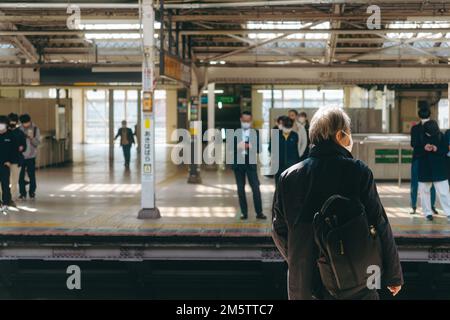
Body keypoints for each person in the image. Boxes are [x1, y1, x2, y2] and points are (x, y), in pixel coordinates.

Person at [272, 107, 403, 300]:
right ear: (340, 135)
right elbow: (379, 222)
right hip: (356, 281)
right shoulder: (358, 171)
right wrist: (393, 275)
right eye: (348, 132)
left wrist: (299, 258)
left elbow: (278, 229)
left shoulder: (288, 177)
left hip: (305, 285)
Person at [229, 111, 266, 220]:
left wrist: (251, 146)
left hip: (250, 164)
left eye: (248, 121)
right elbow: (230, 148)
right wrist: (238, 146)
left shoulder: (255, 133)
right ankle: (243, 213)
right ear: (241, 120)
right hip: (238, 164)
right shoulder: (234, 132)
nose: (246, 122)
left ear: (251, 120)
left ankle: (259, 213)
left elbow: (259, 149)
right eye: (244, 121)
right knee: (240, 189)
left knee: (255, 188)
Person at [417, 120, 450, 221]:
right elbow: (416, 152)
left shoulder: (441, 136)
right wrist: (424, 148)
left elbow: (445, 150)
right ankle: (427, 213)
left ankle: (448, 212)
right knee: (424, 191)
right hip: (424, 168)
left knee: (444, 192)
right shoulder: (420, 137)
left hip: (439, 168)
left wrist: (436, 149)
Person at [410, 107, 437, 215]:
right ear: (429, 115)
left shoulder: (415, 128)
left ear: (419, 116)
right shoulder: (434, 126)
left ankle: (413, 206)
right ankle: (431, 206)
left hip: (418, 158)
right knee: (431, 183)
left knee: (415, 183)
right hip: (431, 158)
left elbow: (413, 144)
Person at [271, 116, 300, 183]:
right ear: (282, 125)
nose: (287, 129)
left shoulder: (295, 135)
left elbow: (296, 150)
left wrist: (297, 162)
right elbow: (271, 148)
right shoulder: (276, 135)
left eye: (289, 127)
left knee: (291, 184)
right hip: (279, 164)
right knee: (279, 183)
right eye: (286, 126)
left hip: (292, 164)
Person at [19, 114, 40, 200]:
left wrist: (32, 138)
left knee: (31, 175)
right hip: (21, 156)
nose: (25, 125)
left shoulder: (35, 129)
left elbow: (37, 143)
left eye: (27, 123)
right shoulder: (19, 129)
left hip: (31, 156)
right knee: (21, 176)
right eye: (23, 123)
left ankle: (32, 192)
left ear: (30, 121)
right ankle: (22, 193)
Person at [7, 113, 27, 206]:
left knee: (14, 181)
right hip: (4, 161)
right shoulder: (4, 132)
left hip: (16, 160)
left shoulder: (20, 133)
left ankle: (11, 198)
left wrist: (22, 147)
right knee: (4, 180)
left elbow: (24, 146)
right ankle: (3, 198)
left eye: (13, 121)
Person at [0, 116, 14, 210]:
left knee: (5, 185)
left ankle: (6, 202)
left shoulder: (11, 135)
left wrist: (10, 161)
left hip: (5, 165)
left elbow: (14, 150)